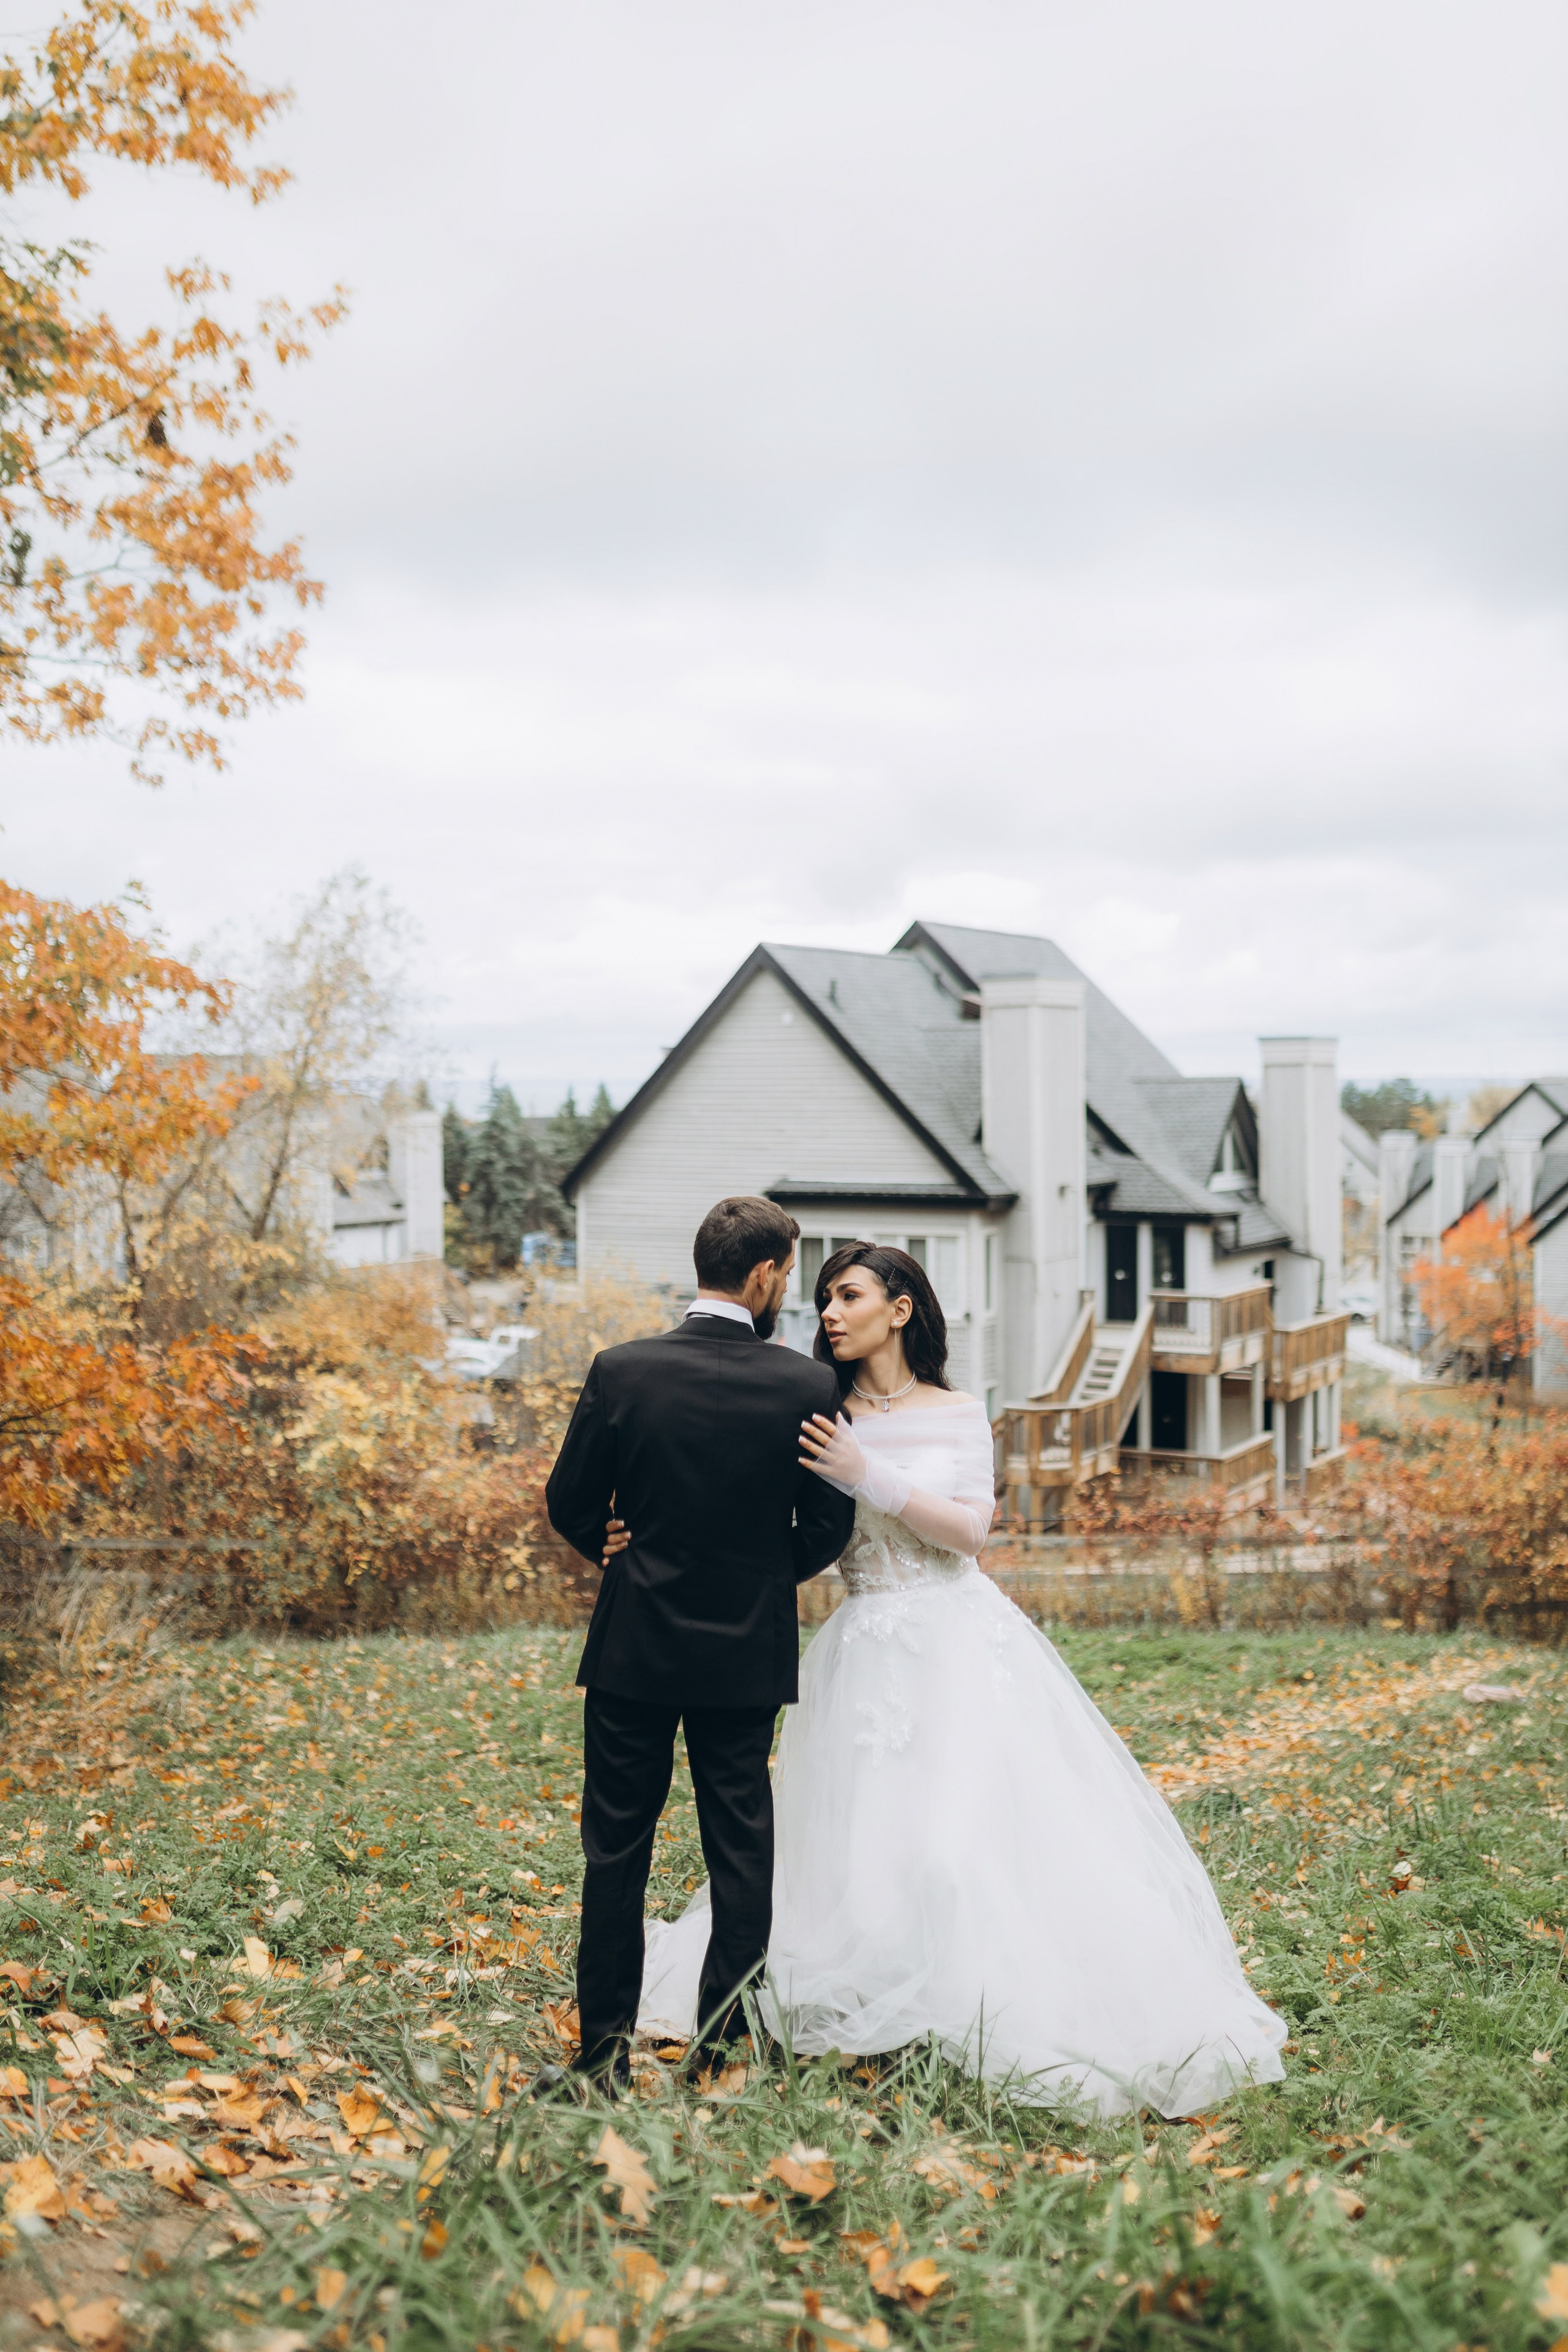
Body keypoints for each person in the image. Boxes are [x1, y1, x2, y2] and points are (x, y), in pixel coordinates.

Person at [630, 1242, 1287, 2117]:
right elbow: (751, 1518)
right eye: (822, 1296)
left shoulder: (958, 1412)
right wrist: (643, 1544)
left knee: (957, 1845)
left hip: (961, 1648)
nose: (828, 1311)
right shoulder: (814, 1410)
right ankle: (867, 2002)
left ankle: (971, 2000)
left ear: (900, 1308)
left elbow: (971, 1532)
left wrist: (872, 1475)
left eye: (849, 1294)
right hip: (863, 1651)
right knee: (855, 1845)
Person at [544, 1196, 854, 2088]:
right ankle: (716, 2050)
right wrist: (762, 1574)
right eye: (788, 1274)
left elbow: (570, 1502)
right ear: (762, 1277)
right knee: (740, 1848)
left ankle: (600, 2056)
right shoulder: (809, 1386)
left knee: (616, 1850)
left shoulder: (622, 1370)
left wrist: (613, 1544)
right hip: (745, 1652)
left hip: (633, 1644)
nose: (787, 1290)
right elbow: (826, 1529)